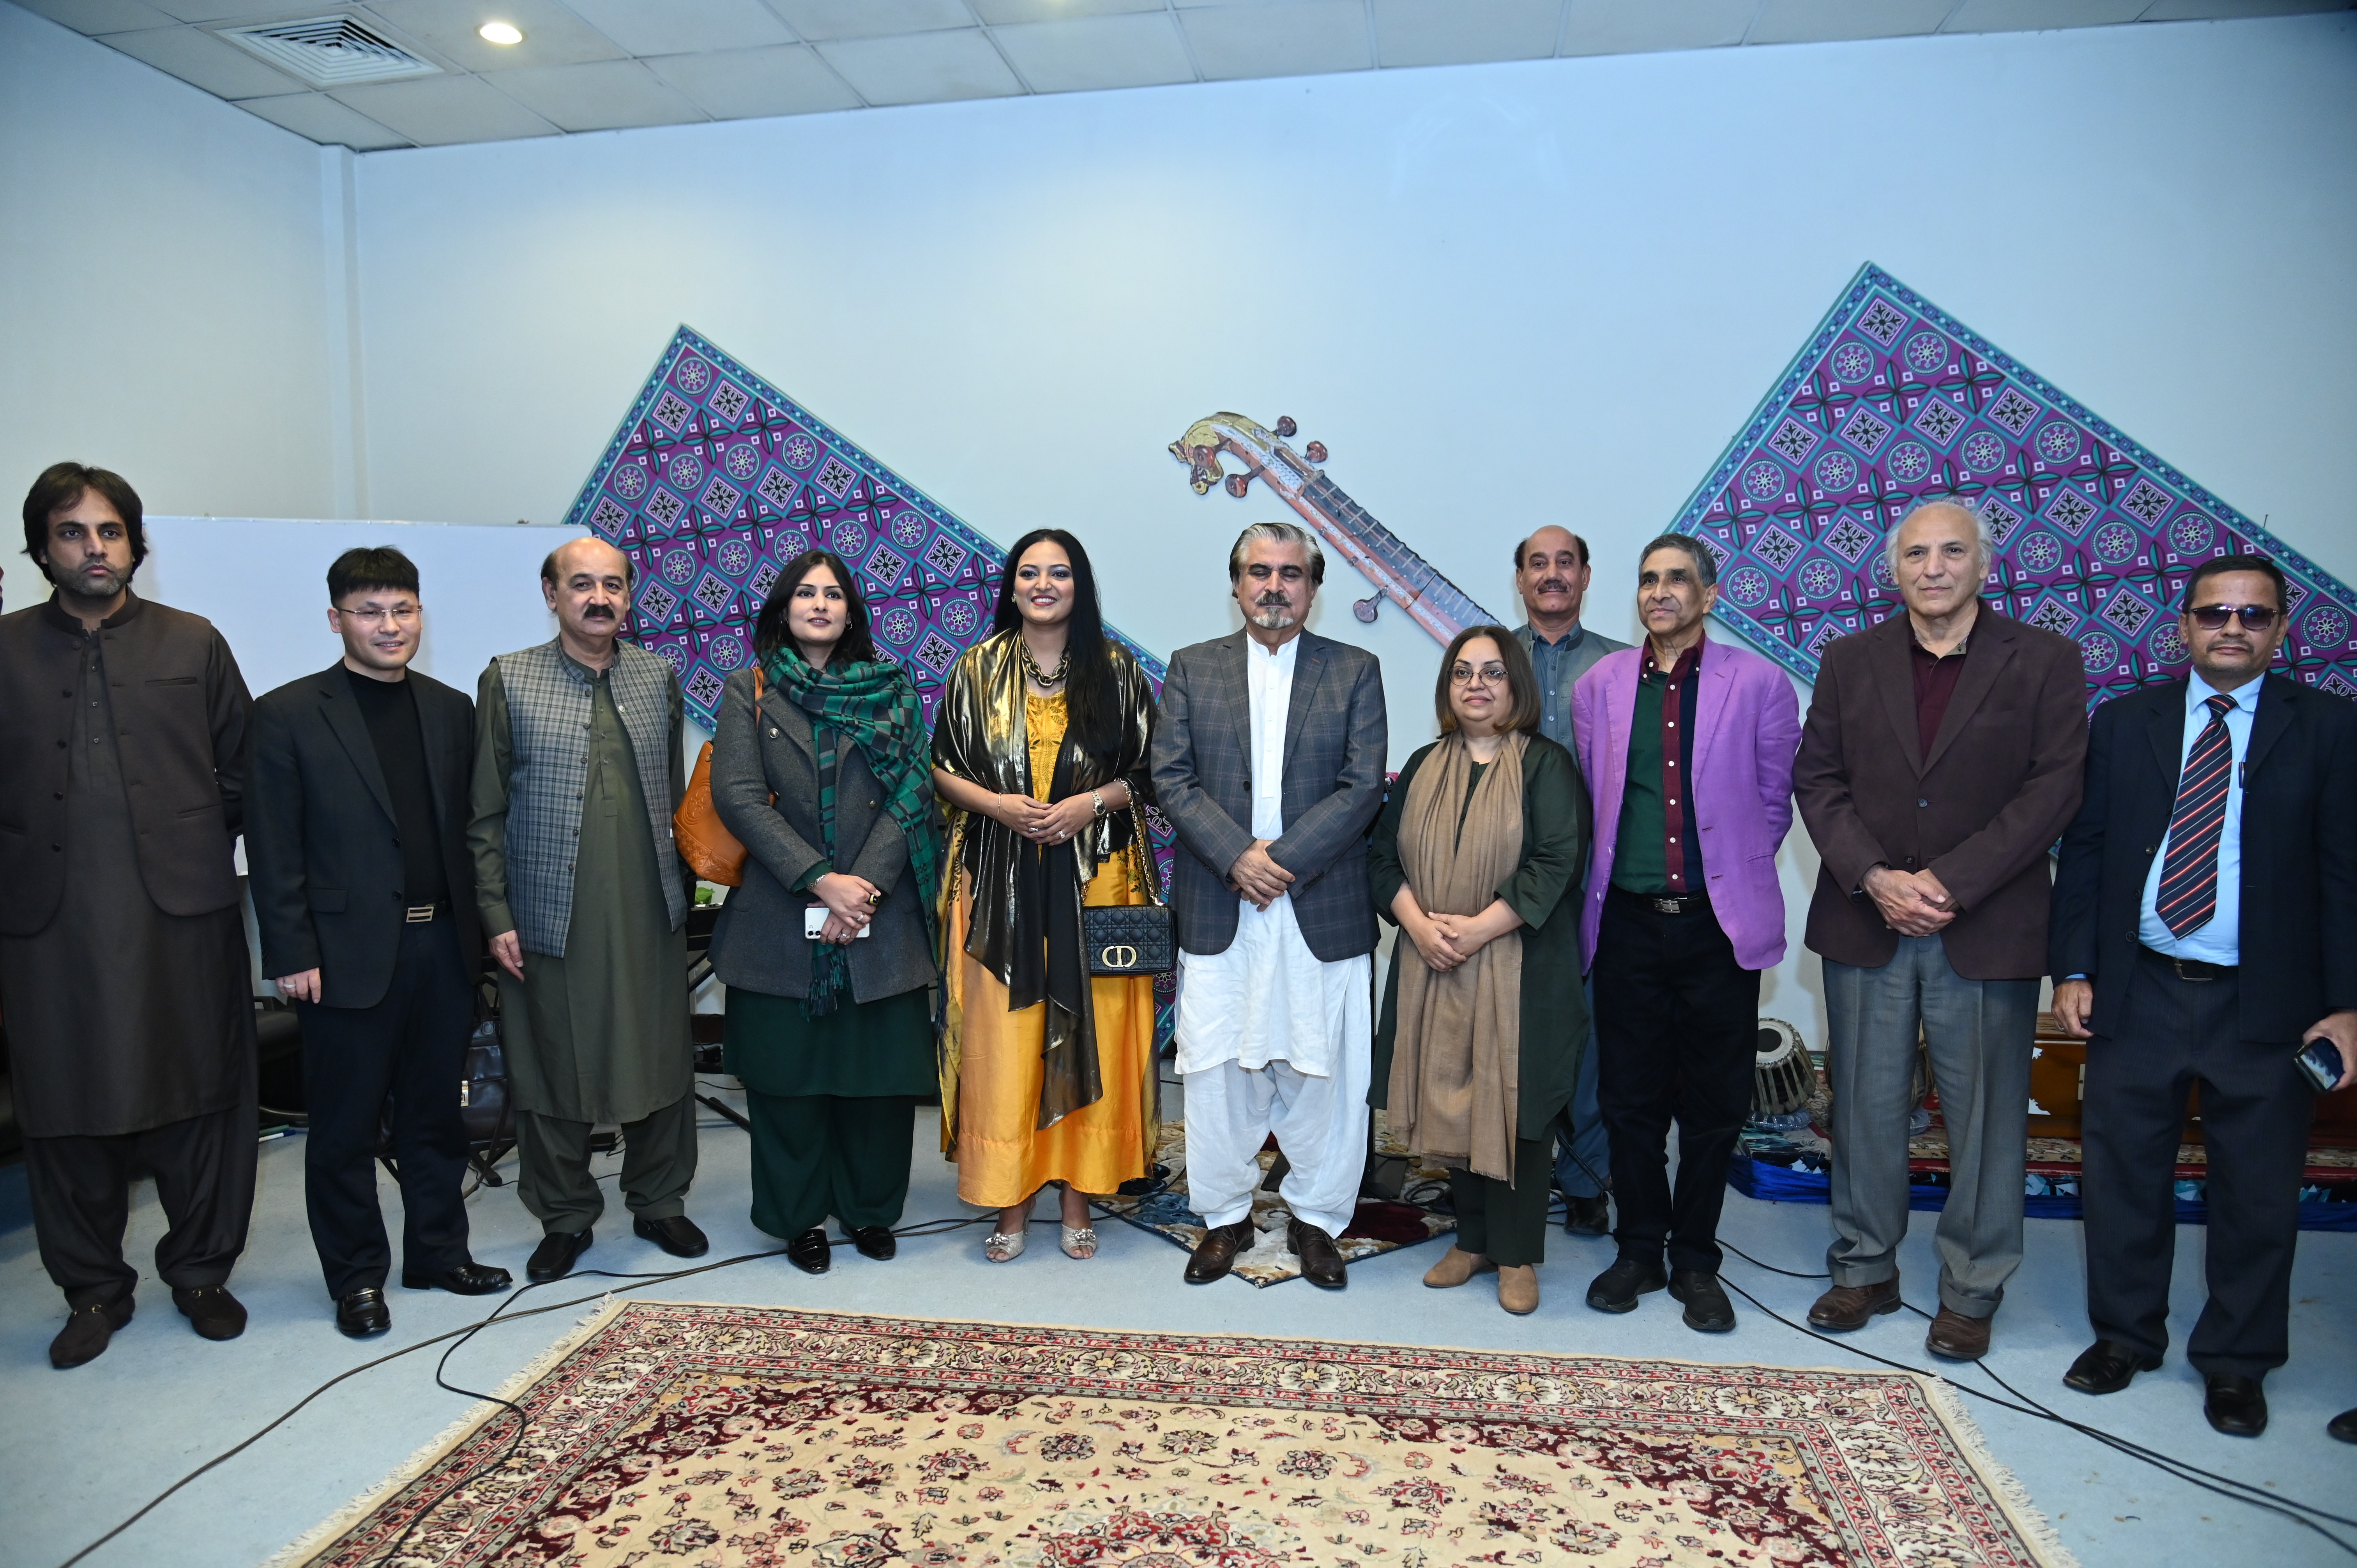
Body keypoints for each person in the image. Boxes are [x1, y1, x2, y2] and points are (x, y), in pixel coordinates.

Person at [2051, 552, 2357, 1437]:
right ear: (2183, 625)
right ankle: (2125, 1335)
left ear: (2281, 629)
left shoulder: (2330, 729)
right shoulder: (2125, 722)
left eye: (2253, 615)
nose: (2233, 627)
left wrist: (2348, 1004)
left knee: (2258, 1191)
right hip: (2140, 989)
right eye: (2215, 613)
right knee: (2120, 1177)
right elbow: (2091, 852)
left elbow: (2345, 875)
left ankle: (2237, 1360)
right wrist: (2075, 968)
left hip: (2269, 1004)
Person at [1791, 498, 2087, 1361]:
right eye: (1916, 553)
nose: (1933, 567)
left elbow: (2053, 789)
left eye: (1951, 550)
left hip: (1984, 924)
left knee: (1986, 1118)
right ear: (1895, 569)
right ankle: (1865, 1268)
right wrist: (1878, 876)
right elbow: (1820, 779)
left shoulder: (2044, 661)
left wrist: (1949, 882)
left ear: (1983, 565)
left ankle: (1971, 1286)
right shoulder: (1850, 661)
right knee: (1865, 1107)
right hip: (1867, 919)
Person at [0, 463, 258, 1368]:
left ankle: (199, 1271)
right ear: (42, 548)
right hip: (45, 925)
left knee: (202, 1095)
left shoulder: (193, 642)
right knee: (65, 1105)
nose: (94, 548)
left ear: (135, 543)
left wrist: (179, 844)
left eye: (110, 531)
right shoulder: (4, 649)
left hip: (182, 914)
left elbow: (240, 770)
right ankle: (94, 1289)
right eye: (72, 533)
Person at [247, 549, 514, 1336]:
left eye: (404, 609)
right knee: (344, 1128)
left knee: (436, 1117)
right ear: (337, 620)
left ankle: (437, 1251)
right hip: (342, 958)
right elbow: (273, 846)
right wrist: (291, 950)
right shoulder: (288, 714)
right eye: (370, 611)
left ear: (421, 617)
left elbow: (470, 832)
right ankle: (357, 1278)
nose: (389, 625)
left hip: (441, 949)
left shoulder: (449, 708)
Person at [1571, 533, 1799, 1331]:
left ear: (1709, 593)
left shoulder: (1762, 684)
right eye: (1648, 580)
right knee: (1629, 1099)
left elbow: (1773, 806)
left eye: (1677, 580)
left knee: (1714, 1103)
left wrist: (1724, 877)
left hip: (1715, 928)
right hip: (1627, 924)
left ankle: (1697, 1259)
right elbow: (1598, 803)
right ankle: (1639, 1246)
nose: (1660, 592)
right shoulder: (1598, 686)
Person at [1151, 521, 1387, 1289]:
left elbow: (1363, 785)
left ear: (1313, 588)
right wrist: (1237, 857)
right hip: (1226, 905)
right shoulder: (1193, 668)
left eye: (1291, 573)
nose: (1274, 586)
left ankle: (1317, 1219)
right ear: (1236, 582)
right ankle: (1224, 1217)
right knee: (1219, 1069)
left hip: (1318, 901)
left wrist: (1278, 861)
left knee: (1328, 1074)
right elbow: (1172, 777)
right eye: (1260, 570)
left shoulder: (1355, 669)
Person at [468, 536, 703, 1283]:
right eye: (582, 585)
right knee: (550, 1066)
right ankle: (566, 1217)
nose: (599, 598)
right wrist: (496, 912)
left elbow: (671, 792)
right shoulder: (508, 679)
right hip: (546, 913)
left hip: (648, 906)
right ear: (551, 593)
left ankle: (659, 1200)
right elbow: (484, 812)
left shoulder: (656, 674)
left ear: (629, 596)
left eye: (613, 585)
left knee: (660, 1057)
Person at [932, 530, 1161, 1262]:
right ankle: (1010, 1197)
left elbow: (1150, 774)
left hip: (1097, 878)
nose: (1043, 584)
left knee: (1095, 1027)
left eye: (1058, 573)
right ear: (1013, 585)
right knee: (1008, 1041)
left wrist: (1089, 804)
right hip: (999, 880)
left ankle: (1079, 1193)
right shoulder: (975, 670)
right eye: (1029, 572)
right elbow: (940, 769)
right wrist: (1000, 807)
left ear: (1079, 585)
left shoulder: (1118, 671)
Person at [708, 551, 939, 1275]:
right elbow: (738, 797)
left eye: (832, 594)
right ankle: (798, 1217)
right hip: (780, 919)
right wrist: (818, 880)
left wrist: (859, 887)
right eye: (804, 593)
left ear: (851, 610)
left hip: (880, 918)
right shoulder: (747, 690)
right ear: (783, 608)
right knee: (790, 1083)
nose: (818, 604)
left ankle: (870, 1211)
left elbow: (914, 795)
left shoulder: (893, 690)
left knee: (877, 1082)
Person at [1370, 627, 1587, 1314]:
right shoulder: (1423, 764)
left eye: (1493, 673)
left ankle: (1516, 1252)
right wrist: (1419, 924)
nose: (1477, 686)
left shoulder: (1545, 765)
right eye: (1463, 673)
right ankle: (1470, 1239)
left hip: (1521, 965)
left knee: (1516, 1102)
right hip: (1430, 959)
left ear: (1516, 685)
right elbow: (1381, 861)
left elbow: (1555, 861)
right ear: (1447, 688)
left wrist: (1475, 930)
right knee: (1448, 1096)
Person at [1509, 526, 1628, 1238]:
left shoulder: (1621, 666)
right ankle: (1509, 1176)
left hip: (1594, 883)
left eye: (1565, 563)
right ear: (1520, 580)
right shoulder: (1492, 664)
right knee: (1509, 1029)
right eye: (1538, 564)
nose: (1552, 575)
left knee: (1588, 1036)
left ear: (1586, 577)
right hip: (1506, 882)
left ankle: (1587, 1178)